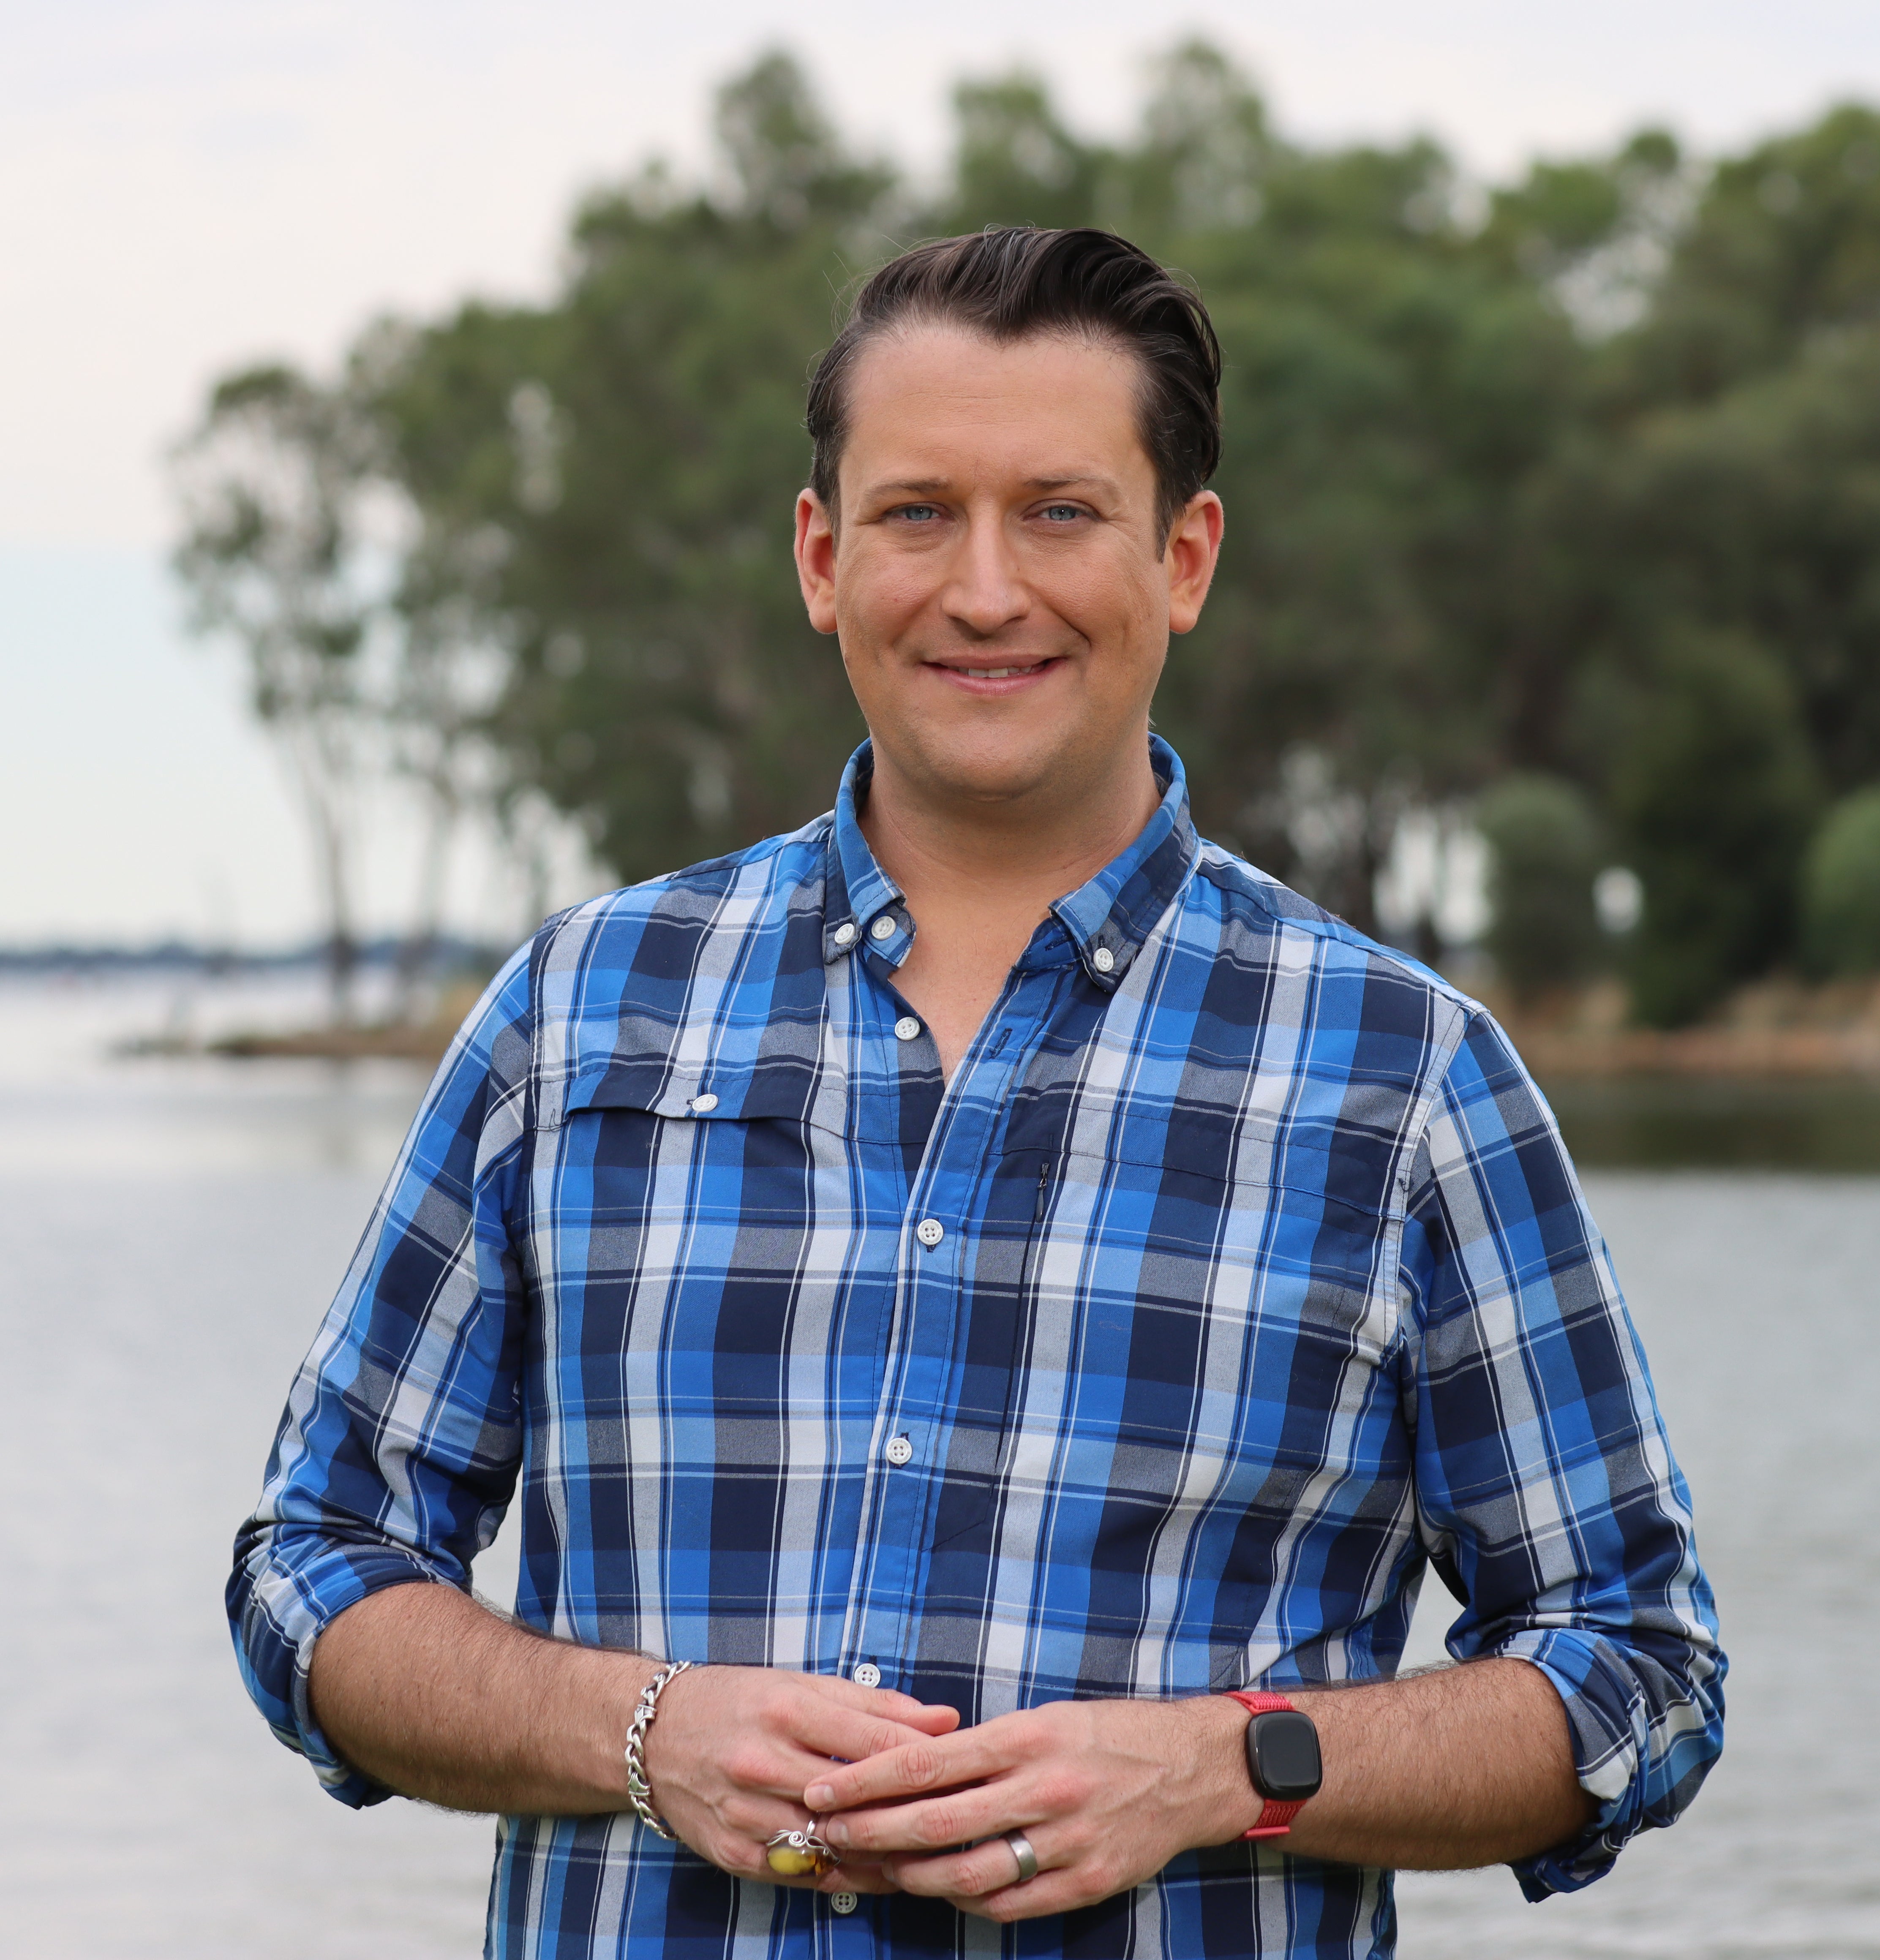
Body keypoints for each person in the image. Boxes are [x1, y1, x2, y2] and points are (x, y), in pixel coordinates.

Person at [229, 226, 1723, 1960]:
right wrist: (636, 1731)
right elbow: (313, 1568)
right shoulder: (580, 1018)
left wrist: (1226, 1766)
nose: (986, 588)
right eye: (918, 511)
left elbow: (1633, 1666)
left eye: (1061, 513)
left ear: (1183, 558)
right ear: (821, 555)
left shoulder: (1404, 1080)